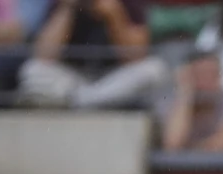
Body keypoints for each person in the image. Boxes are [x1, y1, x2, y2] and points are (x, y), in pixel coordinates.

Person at [18, 0, 168, 108]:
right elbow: (44, 55)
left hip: (113, 79)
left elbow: (137, 55)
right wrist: (67, 9)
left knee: (154, 70)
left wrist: (114, 14)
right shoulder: (63, 5)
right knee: (32, 70)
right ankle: (90, 101)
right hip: (73, 79)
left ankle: (83, 101)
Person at [162, 48, 223, 151]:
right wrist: (185, 95)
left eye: (214, 75)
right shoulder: (175, 101)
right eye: (201, 75)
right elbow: (172, 145)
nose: (208, 82)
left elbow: (221, 144)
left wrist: (187, 149)